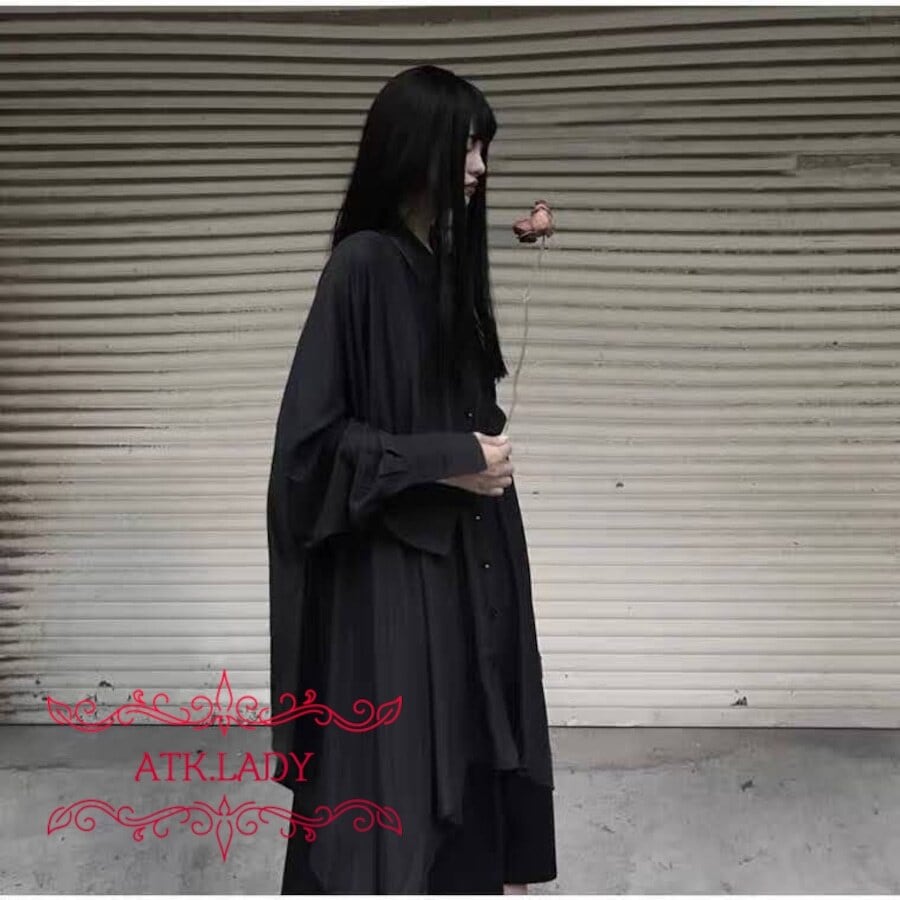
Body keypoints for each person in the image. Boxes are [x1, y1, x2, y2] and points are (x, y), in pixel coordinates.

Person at [267, 64, 557, 895]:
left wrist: (479, 450)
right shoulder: (360, 267)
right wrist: (450, 462)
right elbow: (308, 455)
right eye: (466, 145)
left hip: (471, 566)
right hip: (394, 577)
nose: (480, 166)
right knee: (394, 787)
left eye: (485, 147)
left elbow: (458, 411)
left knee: (472, 746)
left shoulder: (444, 268)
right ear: (413, 146)